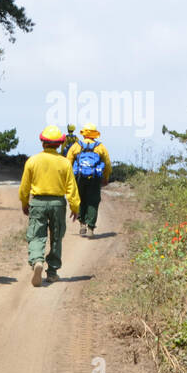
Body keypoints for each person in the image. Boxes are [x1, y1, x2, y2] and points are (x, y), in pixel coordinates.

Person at [18, 125, 81, 286]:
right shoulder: (65, 163)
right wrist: (75, 207)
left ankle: (37, 261)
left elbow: (24, 187)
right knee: (56, 237)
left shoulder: (32, 161)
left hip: (37, 202)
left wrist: (25, 203)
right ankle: (52, 272)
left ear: (42, 142)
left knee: (36, 235)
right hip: (57, 204)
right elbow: (71, 188)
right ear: (59, 144)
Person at [66, 122, 111, 237]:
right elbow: (107, 163)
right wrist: (106, 177)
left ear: (84, 134)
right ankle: (91, 228)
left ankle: (82, 224)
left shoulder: (77, 145)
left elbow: (68, 161)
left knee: (80, 199)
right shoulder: (100, 147)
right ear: (95, 134)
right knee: (93, 201)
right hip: (94, 178)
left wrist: (68, 178)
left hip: (79, 177)